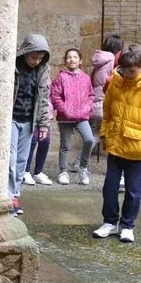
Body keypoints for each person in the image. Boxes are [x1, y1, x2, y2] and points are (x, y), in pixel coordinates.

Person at [95, 44, 141, 244]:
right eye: (124, 70)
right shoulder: (116, 80)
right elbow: (107, 111)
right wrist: (105, 135)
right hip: (116, 145)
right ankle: (110, 222)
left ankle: (127, 225)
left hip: (139, 150)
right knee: (109, 188)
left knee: (133, 192)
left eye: (131, 71)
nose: (127, 75)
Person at [8, 34, 51, 216]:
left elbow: (43, 98)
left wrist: (44, 124)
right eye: (34, 57)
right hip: (11, 119)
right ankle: (8, 197)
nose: (36, 61)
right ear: (26, 52)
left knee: (21, 161)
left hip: (28, 121)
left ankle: (14, 195)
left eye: (40, 58)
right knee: (10, 160)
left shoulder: (43, 70)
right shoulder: (12, 65)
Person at [50, 48, 96, 185]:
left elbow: (91, 95)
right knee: (65, 145)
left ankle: (83, 167)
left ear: (80, 60)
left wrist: (87, 107)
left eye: (75, 57)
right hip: (65, 117)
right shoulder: (61, 77)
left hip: (81, 116)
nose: (72, 59)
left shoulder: (85, 78)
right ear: (65, 61)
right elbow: (55, 95)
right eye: (69, 57)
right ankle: (63, 171)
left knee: (89, 139)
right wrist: (64, 109)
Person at [91, 34, 123, 145]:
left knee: (95, 133)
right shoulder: (112, 61)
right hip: (106, 100)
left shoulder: (99, 60)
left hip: (96, 99)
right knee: (99, 135)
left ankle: (84, 155)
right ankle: (82, 157)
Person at [24, 99, 55, 185]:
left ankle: (38, 173)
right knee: (32, 141)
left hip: (45, 114)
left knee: (45, 141)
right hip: (31, 112)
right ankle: (25, 172)